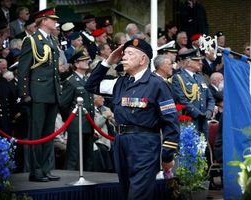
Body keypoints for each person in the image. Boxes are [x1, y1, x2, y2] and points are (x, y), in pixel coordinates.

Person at [85, 38, 179, 200]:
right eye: (124, 54)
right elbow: (91, 85)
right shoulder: (120, 82)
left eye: (130, 54)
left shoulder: (157, 84)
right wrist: (108, 62)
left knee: (138, 194)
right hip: (121, 142)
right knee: (125, 192)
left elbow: (171, 122)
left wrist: (167, 155)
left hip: (145, 144)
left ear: (143, 59)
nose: (124, 57)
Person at [17, 8, 61, 182]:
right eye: (52, 19)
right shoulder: (32, 41)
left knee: (48, 135)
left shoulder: (52, 40)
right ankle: (36, 171)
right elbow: (23, 70)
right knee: (37, 134)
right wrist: (25, 93)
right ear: (43, 20)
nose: (55, 22)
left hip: (52, 93)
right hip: (38, 93)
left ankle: (45, 168)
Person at [60, 49, 94, 171]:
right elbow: (64, 104)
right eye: (83, 61)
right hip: (76, 123)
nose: (87, 62)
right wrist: (70, 120)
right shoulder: (71, 81)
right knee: (74, 156)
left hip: (89, 122)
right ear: (76, 64)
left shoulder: (87, 79)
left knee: (88, 156)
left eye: (87, 60)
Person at [172, 48, 215, 137]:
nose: (200, 62)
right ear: (188, 62)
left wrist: (209, 110)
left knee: (203, 147)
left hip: (204, 120)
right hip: (189, 120)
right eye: (196, 60)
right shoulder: (178, 78)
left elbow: (210, 98)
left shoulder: (201, 77)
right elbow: (182, 99)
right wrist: (198, 113)